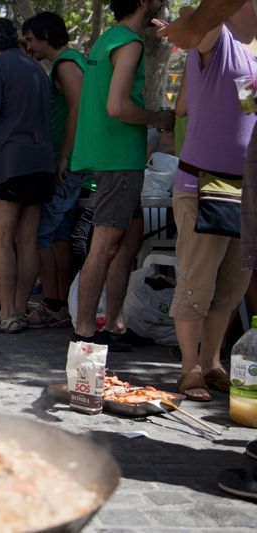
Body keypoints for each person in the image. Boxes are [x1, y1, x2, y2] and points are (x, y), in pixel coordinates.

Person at [159, 0, 257, 499]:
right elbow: (199, 26)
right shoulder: (216, 41)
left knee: (231, 286)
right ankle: (188, 368)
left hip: (247, 187)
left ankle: (213, 362)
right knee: (197, 279)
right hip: (200, 183)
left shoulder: (255, 55)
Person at [69, 0, 174, 346]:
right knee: (105, 243)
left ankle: (115, 324)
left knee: (128, 241)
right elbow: (118, 106)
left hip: (110, 155)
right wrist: (157, 118)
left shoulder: (108, 38)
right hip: (118, 158)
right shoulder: (129, 42)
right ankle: (85, 330)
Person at [0, 18, 54, 334]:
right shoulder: (37, 69)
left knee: (1, 239)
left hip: (9, 162)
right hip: (41, 162)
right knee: (27, 239)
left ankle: (6, 314)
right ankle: (17, 310)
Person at [22, 12, 87, 328]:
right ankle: (61, 305)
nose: (29, 46)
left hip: (67, 165)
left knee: (41, 237)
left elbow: (79, 107)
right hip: (70, 164)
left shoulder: (66, 64)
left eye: (31, 38)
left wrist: (63, 156)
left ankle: (52, 303)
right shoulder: (68, 63)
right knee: (59, 238)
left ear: (45, 34)